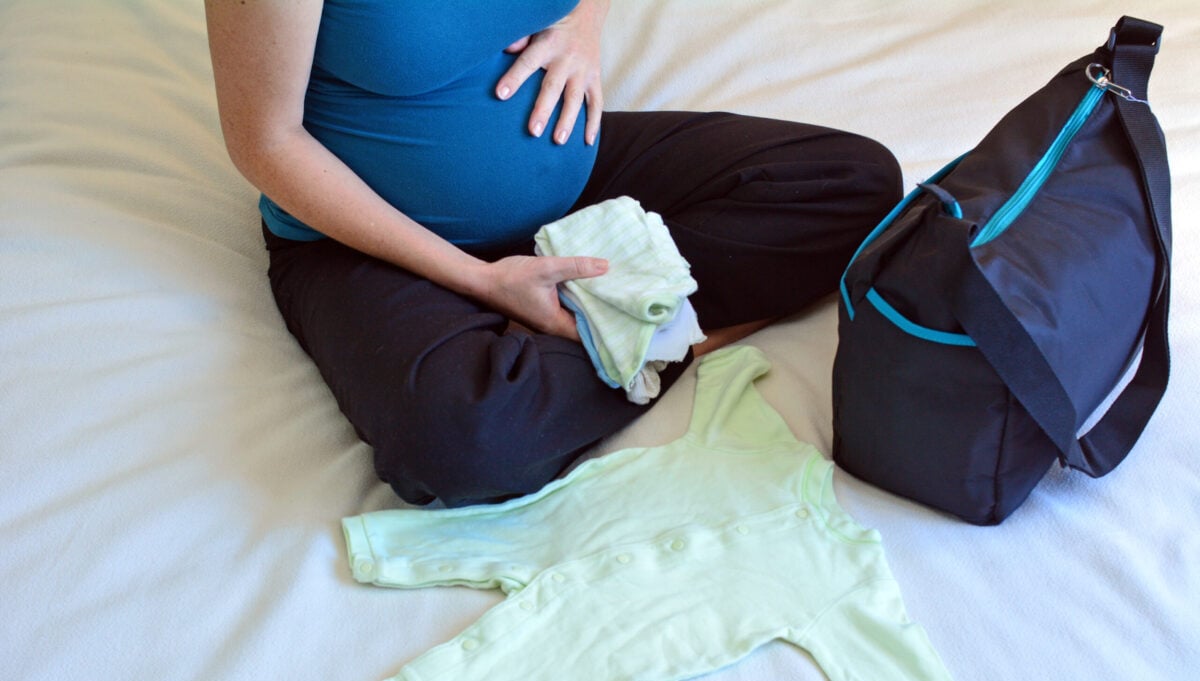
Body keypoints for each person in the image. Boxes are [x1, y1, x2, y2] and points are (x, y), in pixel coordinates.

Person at [203, 0, 902, 508]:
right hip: (362, 236)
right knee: (460, 441)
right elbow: (266, 142)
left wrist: (583, 25)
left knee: (849, 184)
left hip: (570, 167)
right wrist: (480, 281)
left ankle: (616, 335)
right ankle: (663, 336)